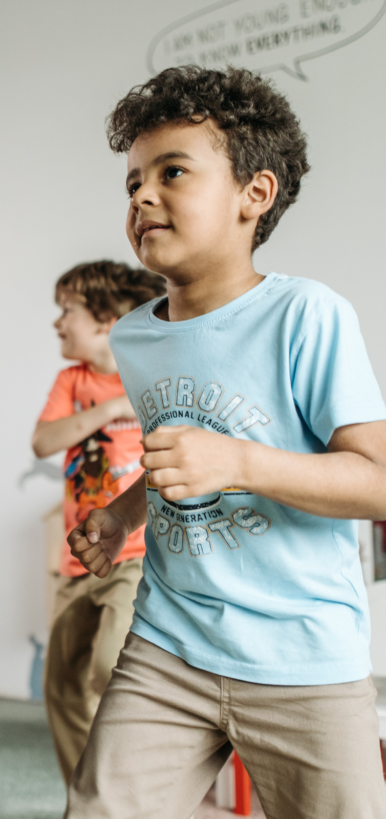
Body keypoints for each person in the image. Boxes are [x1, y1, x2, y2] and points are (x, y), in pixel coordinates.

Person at [64, 65, 386, 819]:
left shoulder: (308, 315)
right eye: (133, 181)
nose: (142, 195)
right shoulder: (136, 336)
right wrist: (121, 515)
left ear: (255, 194)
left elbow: (375, 478)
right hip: (169, 642)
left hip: (303, 656)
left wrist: (239, 463)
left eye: (172, 172)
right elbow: (178, 454)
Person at [32, 260, 165, 783]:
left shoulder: (149, 375)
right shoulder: (72, 380)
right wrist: (108, 411)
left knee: (109, 667)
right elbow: (44, 442)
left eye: (67, 311)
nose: (57, 322)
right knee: (61, 684)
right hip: (75, 557)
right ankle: (86, 797)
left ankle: (131, 787)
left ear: (107, 319)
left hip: (132, 554)